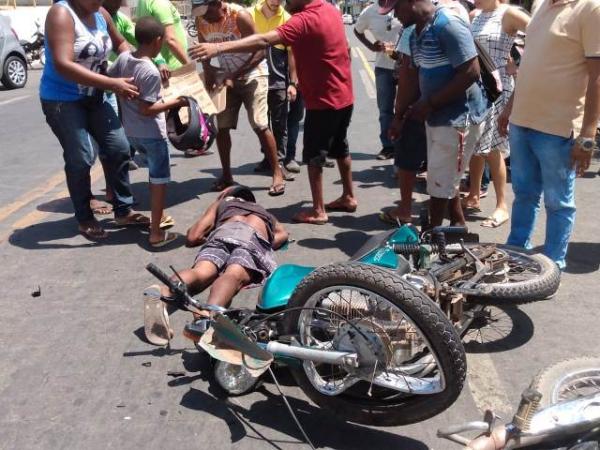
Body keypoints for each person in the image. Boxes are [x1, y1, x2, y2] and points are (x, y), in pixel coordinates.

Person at [189, 0, 357, 225]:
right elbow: (346, 48)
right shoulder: (330, 10)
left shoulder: (303, 20)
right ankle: (349, 196)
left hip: (323, 99)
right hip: (344, 94)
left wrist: (217, 48)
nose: (286, 1)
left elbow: (264, 40)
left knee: (314, 157)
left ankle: (318, 211)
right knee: (340, 147)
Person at [498, 0, 600, 269]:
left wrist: (588, 134)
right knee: (524, 194)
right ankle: (516, 250)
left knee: (558, 204)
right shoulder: (541, 4)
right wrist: (509, 109)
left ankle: (553, 265)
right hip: (523, 122)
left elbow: (597, 76)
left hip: (557, 129)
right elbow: (530, 63)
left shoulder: (591, 8)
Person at [40, 0, 150, 240]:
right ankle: (85, 217)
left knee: (119, 148)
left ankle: (123, 210)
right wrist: (112, 83)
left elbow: (120, 43)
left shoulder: (101, 14)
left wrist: (135, 63)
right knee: (80, 157)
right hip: (63, 100)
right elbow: (63, 64)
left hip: (95, 96)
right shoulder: (61, 14)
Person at [386, 0, 489, 228]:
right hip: (435, 116)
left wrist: (430, 103)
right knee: (442, 177)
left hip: (458, 119)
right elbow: (410, 79)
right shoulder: (414, 33)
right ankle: (457, 227)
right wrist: (399, 117)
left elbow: (471, 72)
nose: (395, 16)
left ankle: (433, 237)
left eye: (396, 9)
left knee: (440, 183)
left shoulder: (447, 24)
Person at [143, 186, 289, 346]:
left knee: (200, 272)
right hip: (252, 237)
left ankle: (163, 293)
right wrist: (264, 245)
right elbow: (282, 234)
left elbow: (193, 236)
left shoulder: (222, 204)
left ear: (226, 195)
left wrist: (211, 223)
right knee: (233, 275)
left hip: (223, 233)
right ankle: (207, 316)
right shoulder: (263, 212)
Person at [192, 0, 287, 196]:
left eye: (207, 11)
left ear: (218, 3)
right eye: (199, 12)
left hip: (253, 74)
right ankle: (226, 175)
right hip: (227, 77)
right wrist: (209, 72)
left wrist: (233, 76)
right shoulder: (201, 20)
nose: (204, 16)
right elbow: (204, 51)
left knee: (260, 124)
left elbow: (261, 51)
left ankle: (277, 172)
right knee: (222, 127)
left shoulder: (239, 16)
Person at [108, 17, 186, 248]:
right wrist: (175, 103)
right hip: (153, 134)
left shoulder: (123, 58)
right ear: (158, 40)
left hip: (131, 132)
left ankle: (157, 215)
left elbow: (111, 80)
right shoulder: (150, 71)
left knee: (152, 176)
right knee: (158, 180)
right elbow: (147, 109)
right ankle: (155, 233)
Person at [460, 0, 529, 228]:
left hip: (499, 88)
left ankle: (502, 206)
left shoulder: (508, 14)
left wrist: (518, 66)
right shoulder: (474, 16)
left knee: (492, 148)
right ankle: (473, 195)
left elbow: (540, 38)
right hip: (478, 86)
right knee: (477, 145)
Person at [380, 25, 427, 224]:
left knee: (406, 161)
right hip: (440, 106)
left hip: (415, 105)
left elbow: (407, 77)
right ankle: (438, 215)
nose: (397, 15)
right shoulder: (450, 16)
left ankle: (405, 210)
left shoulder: (412, 30)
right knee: (439, 163)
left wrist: (398, 117)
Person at [249, 0, 300, 174]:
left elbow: (292, 54)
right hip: (255, 80)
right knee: (262, 124)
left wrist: (292, 83)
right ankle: (267, 158)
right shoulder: (250, 14)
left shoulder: (286, 18)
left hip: (277, 82)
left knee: (279, 124)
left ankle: (278, 160)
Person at [354, 0, 403, 160]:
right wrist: (371, 46)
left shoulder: (402, 6)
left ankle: (405, 145)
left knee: (405, 108)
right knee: (385, 110)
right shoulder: (369, 11)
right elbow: (357, 30)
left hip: (406, 67)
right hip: (383, 67)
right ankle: (388, 147)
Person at [135, 0, 191, 71]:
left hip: (158, 64)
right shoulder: (160, 3)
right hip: (173, 67)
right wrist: (189, 65)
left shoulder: (143, 2)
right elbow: (170, 40)